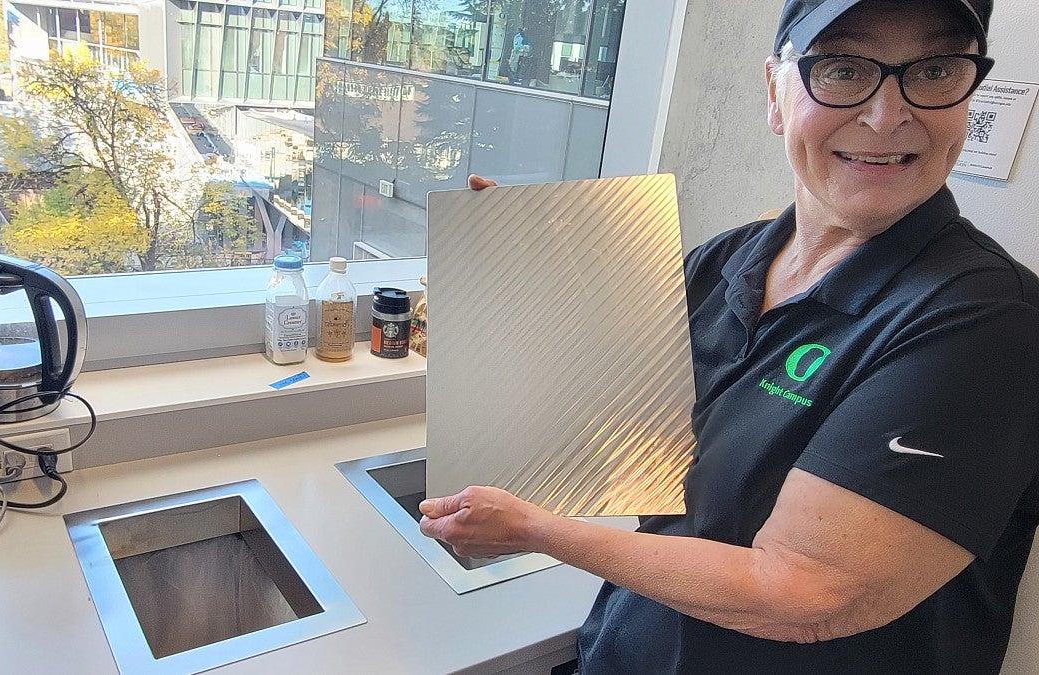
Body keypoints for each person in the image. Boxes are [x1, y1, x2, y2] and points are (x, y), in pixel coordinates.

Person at [419, 0, 1039, 672]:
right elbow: (629, 411)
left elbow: (807, 593)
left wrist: (536, 530)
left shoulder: (986, 324)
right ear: (776, 93)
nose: (887, 115)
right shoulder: (729, 260)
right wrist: (522, 275)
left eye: (935, 70)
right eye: (842, 69)